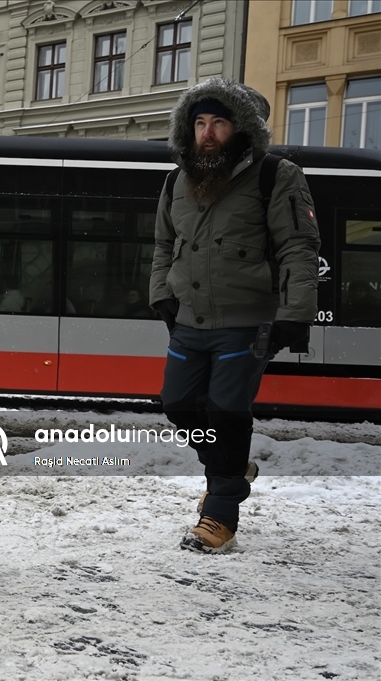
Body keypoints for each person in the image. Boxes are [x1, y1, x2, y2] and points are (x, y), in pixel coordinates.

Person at [149, 78, 320, 554]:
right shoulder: (178, 179)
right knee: (178, 405)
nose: (207, 132)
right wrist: (161, 293)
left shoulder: (275, 175)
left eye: (218, 122)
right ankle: (231, 467)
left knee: (226, 412)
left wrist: (295, 314)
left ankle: (219, 514)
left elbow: (299, 247)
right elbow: (165, 244)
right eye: (199, 122)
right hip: (188, 318)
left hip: (246, 321)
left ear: (240, 128)